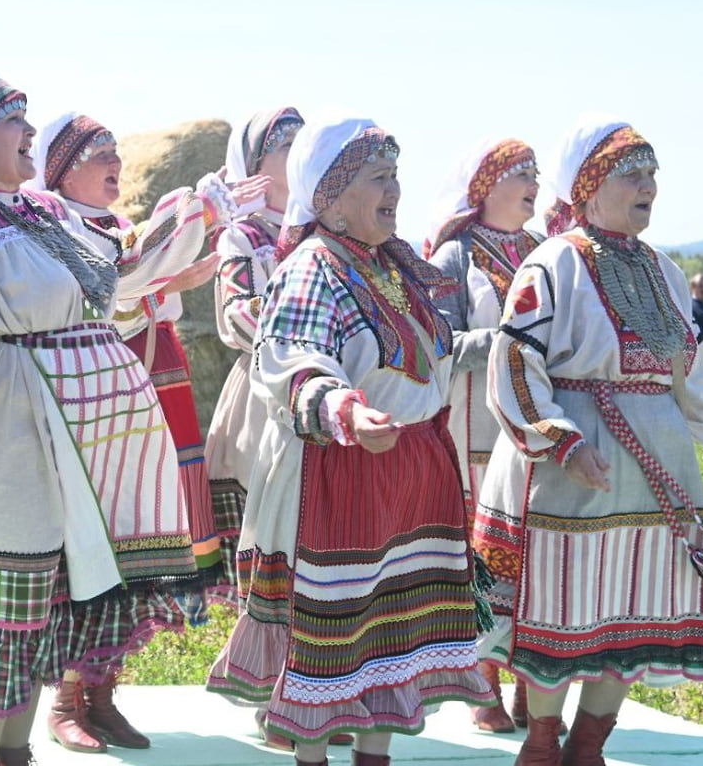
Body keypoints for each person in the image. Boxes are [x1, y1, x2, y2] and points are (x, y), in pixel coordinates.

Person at [0, 67, 244, 766]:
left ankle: (16, 753)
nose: (31, 132)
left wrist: (201, 217)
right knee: (6, 603)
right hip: (5, 430)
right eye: (15, 120)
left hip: (74, 444)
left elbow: (117, 270)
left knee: (46, 605)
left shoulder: (42, 216)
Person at [474, 115, 703, 765]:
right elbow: (514, 360)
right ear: (588, 190)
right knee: (560, 605)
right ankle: (540, 740)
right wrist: (558, 439)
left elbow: (694, 370)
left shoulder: (661, 271)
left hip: (654, 476)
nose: (648, 184)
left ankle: (588, 744)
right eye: (631, 173)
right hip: (569, 469)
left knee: (629, 608)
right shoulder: (553, 263)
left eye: (651, 173)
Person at [207, 115, 494, 766]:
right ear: (330, 196)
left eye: (394, 174)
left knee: (392, 642)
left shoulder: (393, 267)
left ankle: (374, 758)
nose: (393, 187)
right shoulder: (314, 267)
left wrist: (503, 343)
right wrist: (344, 410)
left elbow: (431, 354)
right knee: (335, 644)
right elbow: (291, 357)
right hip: (344, 477)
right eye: (376, 176)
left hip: (410, 474)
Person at [22, 109, 266, 751]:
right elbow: (121, 286)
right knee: (94, 546)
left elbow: (142, 285)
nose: (115, 162)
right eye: (97, 151)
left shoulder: (116, 229)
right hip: (98, 400)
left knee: (140, 542)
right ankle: (67, 700)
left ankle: (103, 695)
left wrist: (172, 278)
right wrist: (194, 221)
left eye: (113, 149)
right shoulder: (53, 231)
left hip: (155, 387)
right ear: (62, 169)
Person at [426, 138, 544, 734]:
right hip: (474, 428)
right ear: (486, 184)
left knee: (533, 550)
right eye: (522, 172)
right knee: (480, 556)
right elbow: (435, 344)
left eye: (537, 172)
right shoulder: (455, 256)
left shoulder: (547, 252)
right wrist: (505, 340)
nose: (535, 181)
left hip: (533, 427)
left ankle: (535, 680)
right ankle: (482, 682)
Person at [204, 107, 303, 598]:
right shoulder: (243, 236)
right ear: (255, 166)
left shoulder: (327, 231)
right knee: (270, 542)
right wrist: (309, 330)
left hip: (329, 393)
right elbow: (237, 315)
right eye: (286, 144)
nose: (300, 150)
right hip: (264, 401)